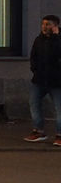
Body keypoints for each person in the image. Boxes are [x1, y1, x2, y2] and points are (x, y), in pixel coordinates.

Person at [25, 13, 61, 145]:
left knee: (59, 108)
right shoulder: (38, 40)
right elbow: (33, 56)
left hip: (57, 81)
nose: (44, 27)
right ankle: (38, 131)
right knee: (34, 103)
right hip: (39, 79)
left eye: (48, 24)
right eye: (43, 24)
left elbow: (58, 52)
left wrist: (56, 37)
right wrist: (35, 70)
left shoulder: (58, 40)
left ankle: (59, 135)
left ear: (55, 26)